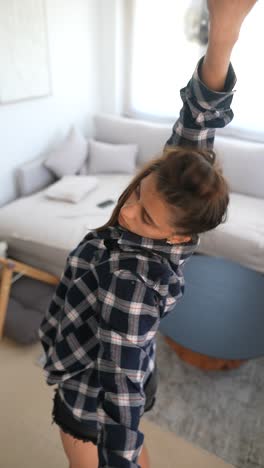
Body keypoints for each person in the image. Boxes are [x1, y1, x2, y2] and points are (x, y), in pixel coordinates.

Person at [38, 1, 257, 467]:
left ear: (178, 238)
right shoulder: (180, 195)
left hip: (89, 394)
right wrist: (224, 36)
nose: (129, 212)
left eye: (146, 219)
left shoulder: (130, 282)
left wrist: (120, 455)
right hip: (121, 372)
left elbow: (120, 389)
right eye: (138, 194)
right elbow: (198, 119)